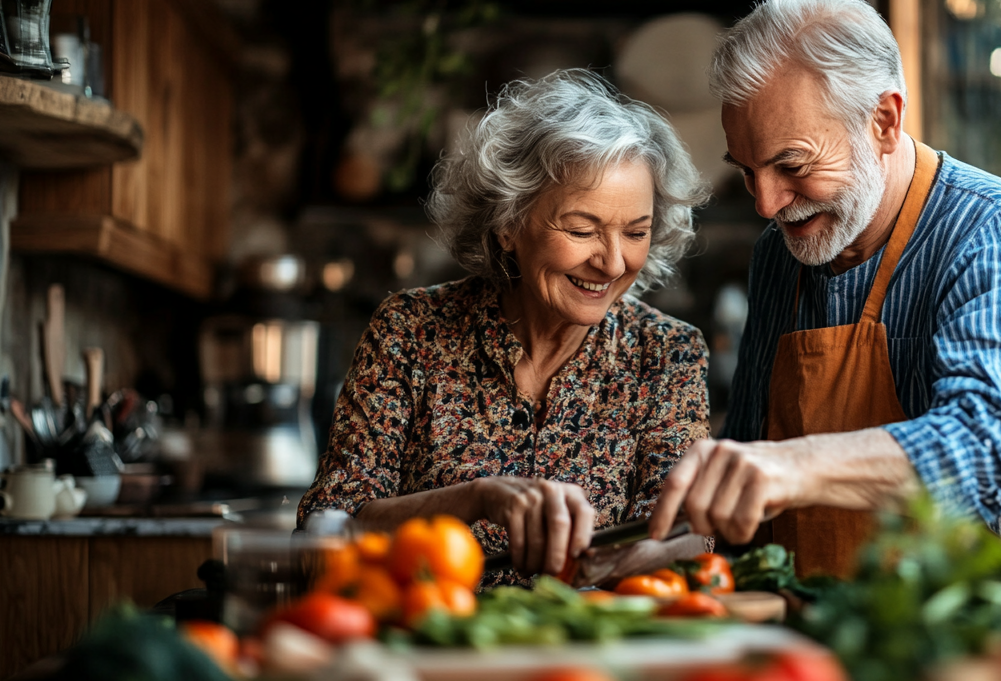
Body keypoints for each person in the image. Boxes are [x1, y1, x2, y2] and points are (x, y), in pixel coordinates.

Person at [648, 0, 1001, 578]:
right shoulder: (780, 252)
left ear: (883, 122)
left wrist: (795, 466)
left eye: (792, 165)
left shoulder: (993, 231)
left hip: (977, 631)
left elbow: (989, 451)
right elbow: (748, 462)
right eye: (748, 171)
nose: (767, 205)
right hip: (810, 630)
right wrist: (664, 545)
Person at [299, 70, 713, 585]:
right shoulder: (409, 332)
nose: (611, 263)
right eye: (582, 230)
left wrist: (591, 565)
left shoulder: (667, 351)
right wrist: (476, 498)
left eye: (636, 232)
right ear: (508, 224)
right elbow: (327, 528)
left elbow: (690, 534)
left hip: (590, 645)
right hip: (430, 635)